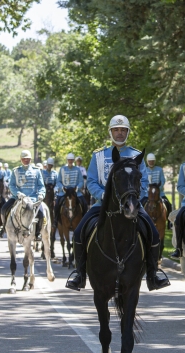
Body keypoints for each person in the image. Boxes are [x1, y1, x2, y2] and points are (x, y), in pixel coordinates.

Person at [65, 115, 170, 291]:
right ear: (111, 132)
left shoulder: (137, 155)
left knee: (152, 232)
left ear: (127, 132)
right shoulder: (98, 156)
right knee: (77, 233)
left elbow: (143, 183)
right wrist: (104, 196)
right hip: (103, 206)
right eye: (116, 130)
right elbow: (91, 181)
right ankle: (80, 274)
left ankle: (153, 274)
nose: (120, 133)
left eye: (123, 130)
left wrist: (134, 199)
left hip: (132, 205)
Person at [0, 150, 46, 241]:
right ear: (21, 159)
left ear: (30, 160)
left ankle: (37, 233)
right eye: (24, 159)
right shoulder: (16, 171)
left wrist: (41, 194)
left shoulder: (36, 171)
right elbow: (11, 185)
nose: (26, 160)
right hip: (18, 198)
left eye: (28, 159)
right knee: (4, 208)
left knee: (41, 213)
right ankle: (3, 227)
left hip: (33, 199)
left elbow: (41, 186)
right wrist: (18, 193)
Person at [141, 153, 173, 228]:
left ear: (154, 161)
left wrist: (158, 188)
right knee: (141, 204)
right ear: (147, 161)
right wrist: (147, 188)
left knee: (168, 204)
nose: (151, 162)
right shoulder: (144, 170)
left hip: (159, 193)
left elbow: (163, 180)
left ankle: (169, 223)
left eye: (152, 161)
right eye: (149, 161)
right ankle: (140, 222)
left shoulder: (159, 169)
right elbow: (142, 181)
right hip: (147, 194)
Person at [55, 153, 88, 225]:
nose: (70, 161)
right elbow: (58, 181)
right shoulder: (62, 169)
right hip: (64, 192)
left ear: (73, 160)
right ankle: (56, 221)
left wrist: (77, 188)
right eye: (69, 160)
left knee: (85, 204)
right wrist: (62, 188)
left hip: (75, 192)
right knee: (57, 204)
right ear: (67, 160)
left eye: (71, 160)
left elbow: (81, 181)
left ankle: (85, 222)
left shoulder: (77, 169)